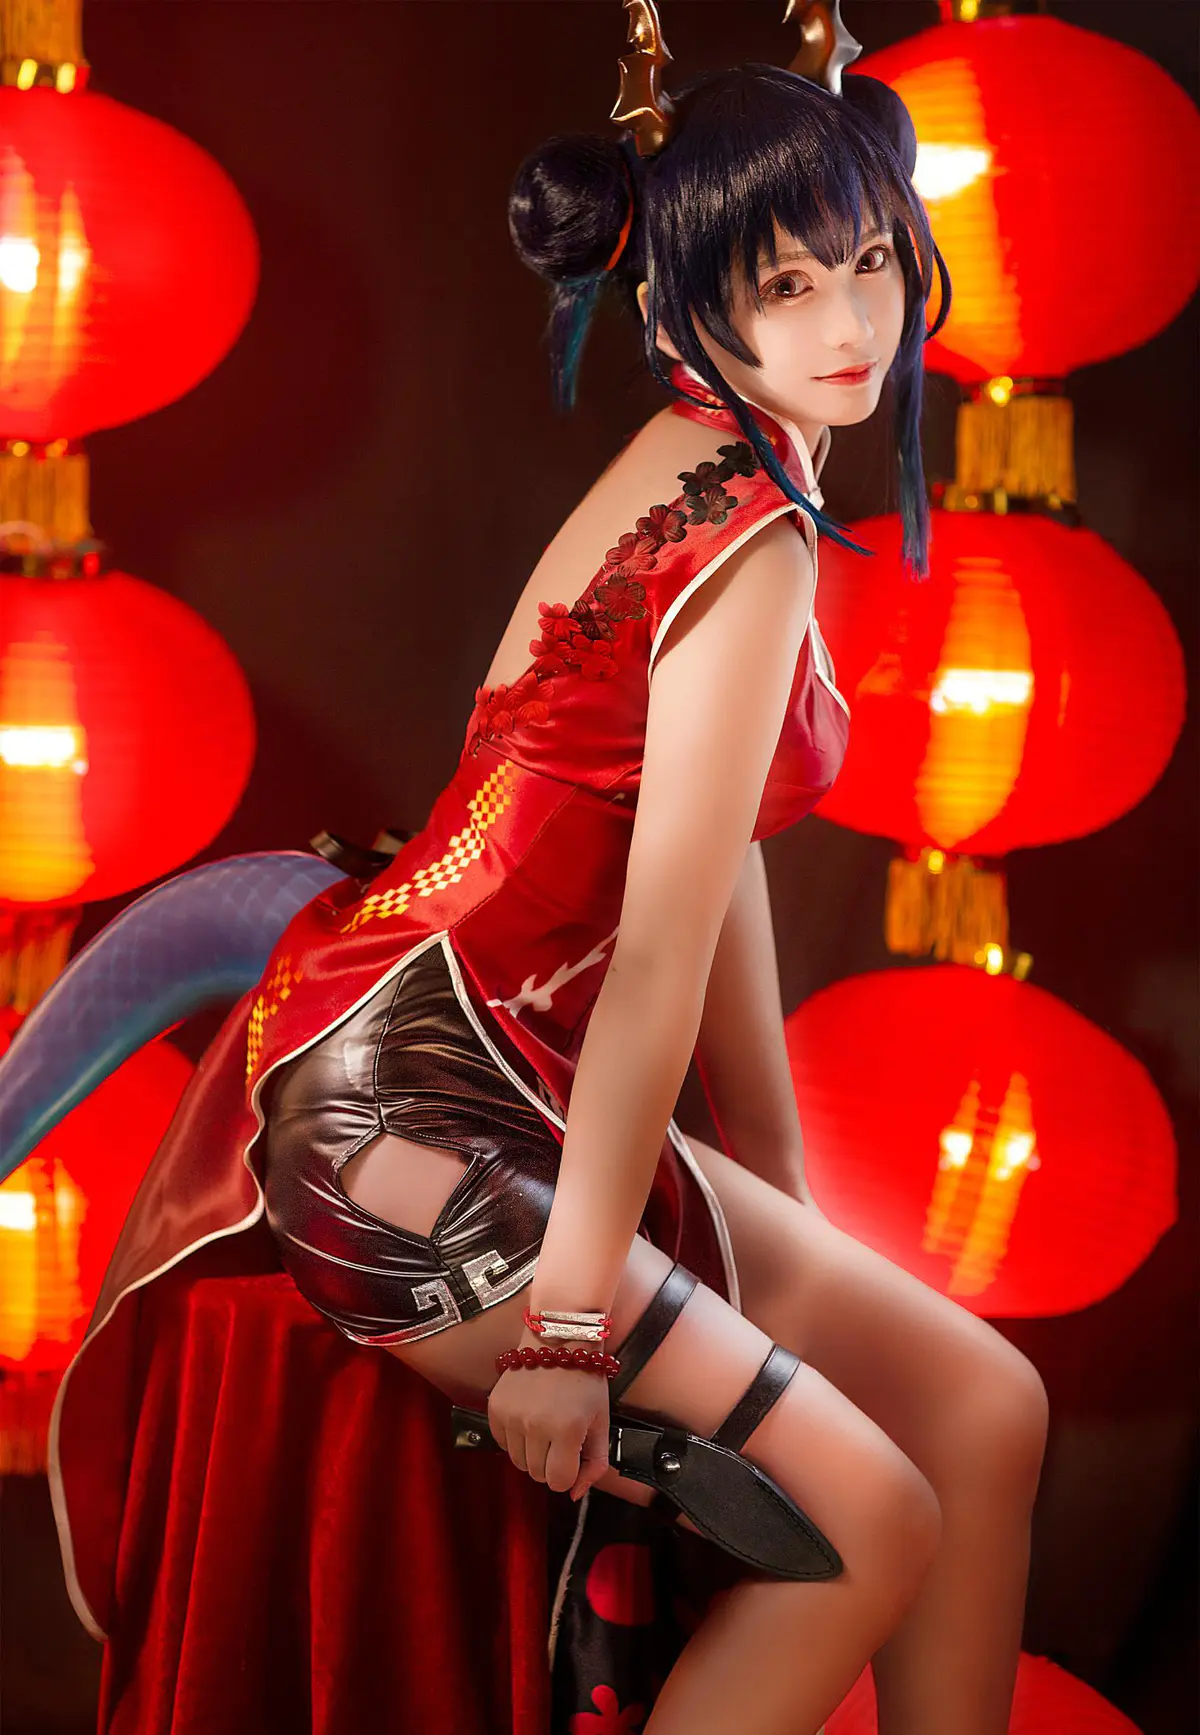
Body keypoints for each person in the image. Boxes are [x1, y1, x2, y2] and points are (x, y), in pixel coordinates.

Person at [35, 5, 1049, 1731]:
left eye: (873, 263)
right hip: (403, 1119)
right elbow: (651, 952)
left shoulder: (717, 463)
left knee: (987, 1404)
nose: (849, 323)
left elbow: (699, 849)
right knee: (873, 1521)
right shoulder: (745, 534)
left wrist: (779, 1181)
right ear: (685, 302)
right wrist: (570, 1327)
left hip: (503, 1069)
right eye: (786, 283)